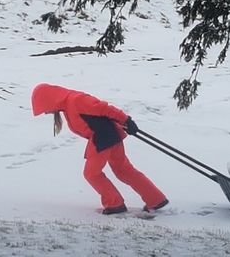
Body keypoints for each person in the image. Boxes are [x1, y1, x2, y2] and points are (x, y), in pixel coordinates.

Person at [31, 83, 168, 215]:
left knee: (92, 173)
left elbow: (104, 108)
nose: (46, 113)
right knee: (123, 170)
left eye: (44, 109)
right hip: (109, 136)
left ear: (49, 100)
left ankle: (114, 204)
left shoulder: (76, 100)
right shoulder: (67, 105)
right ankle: (155, 199)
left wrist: (126, 120)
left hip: (102, 138)